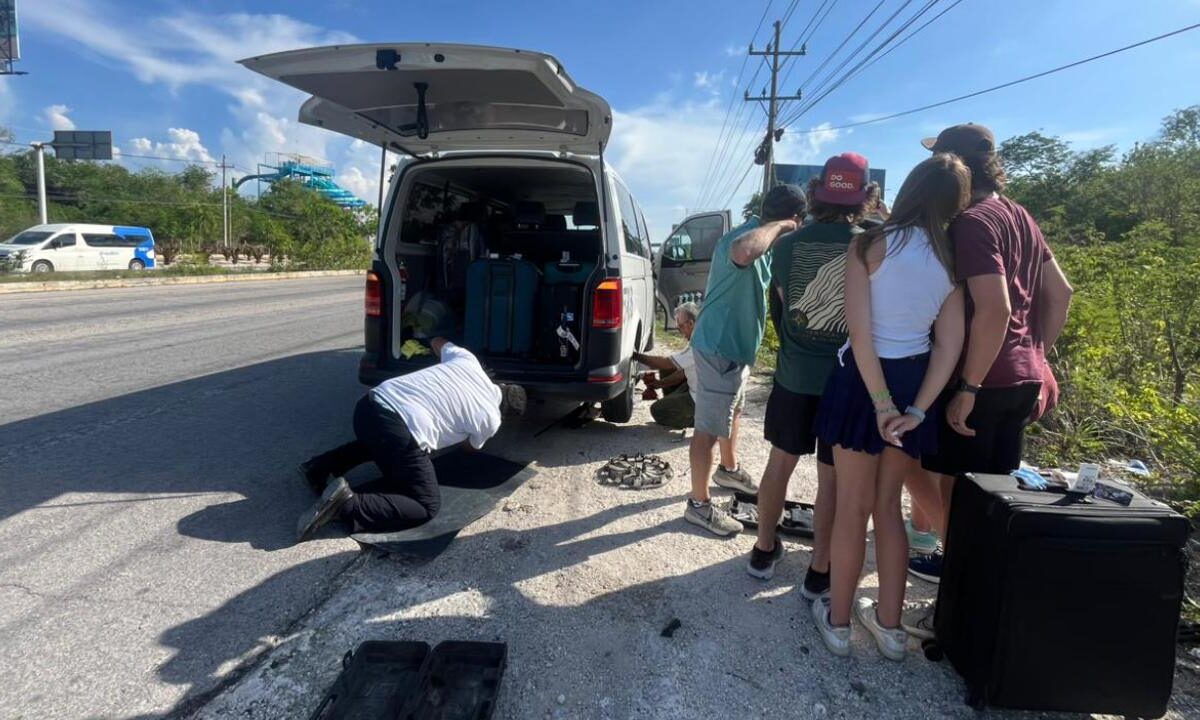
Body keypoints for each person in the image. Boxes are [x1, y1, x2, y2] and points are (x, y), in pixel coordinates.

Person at [810, 154, 970, 660]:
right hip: (914, 380)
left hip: (863, 382)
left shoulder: (869, 244)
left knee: (852, 508)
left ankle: (837, 624)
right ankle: (891, 628)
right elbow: (948, 346)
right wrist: (917, 409)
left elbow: (860, 334)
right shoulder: (951, 261)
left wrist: (879, 403)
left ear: (907, 191)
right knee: (891, 508)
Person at [906, 124, 1074, 582]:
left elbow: (995, 308)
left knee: (954, 489)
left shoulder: (972, 224)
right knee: (996, 494)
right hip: (1020, 379)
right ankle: (983, 583)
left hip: (983, 380)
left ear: (952, 168)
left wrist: (969, 385)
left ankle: (960, 581)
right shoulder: (1020, 216)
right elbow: (1060, 293)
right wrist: (1036, 358)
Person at [746, 153, 881, 600]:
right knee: (832, 481)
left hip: (795, 374)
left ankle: (764, 549)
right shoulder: (874, 246)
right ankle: (818, 570)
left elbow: (784, 307)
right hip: (848, 381)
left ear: (817, 192)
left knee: (779, 463)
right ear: (866, 197)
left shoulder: (786, 246)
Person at [295, 338, 526, 541]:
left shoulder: (469, 361)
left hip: (367, 407)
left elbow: (437, 341)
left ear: (500, 386)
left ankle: (319, 468)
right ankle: (344, 504)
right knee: (425, 505)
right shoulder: (492, 418)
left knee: (383, 440)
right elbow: (469, 448)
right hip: (395, 432)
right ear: (505, 412)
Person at [684, 184, 808, 536]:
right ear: (792, 219)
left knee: (733, 411)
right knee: (708, 429)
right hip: (719, 348)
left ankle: (728, 469)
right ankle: (698, 504)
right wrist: (783, 226)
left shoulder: (766, 243)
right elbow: (741, 253)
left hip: (736, 349)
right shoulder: (745, 239)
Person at [634, 302, 701, 430]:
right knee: (668, 369)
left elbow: (666, 362)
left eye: (681, 327)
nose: (680, 331)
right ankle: (675, 403)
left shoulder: (698, 344)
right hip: (701, 389)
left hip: (702, 400)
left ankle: (698, 420)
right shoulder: (700, 335)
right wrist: (659, 384)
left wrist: (636, 356)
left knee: (657, 410)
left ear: (691, 324)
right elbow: (681, 370)